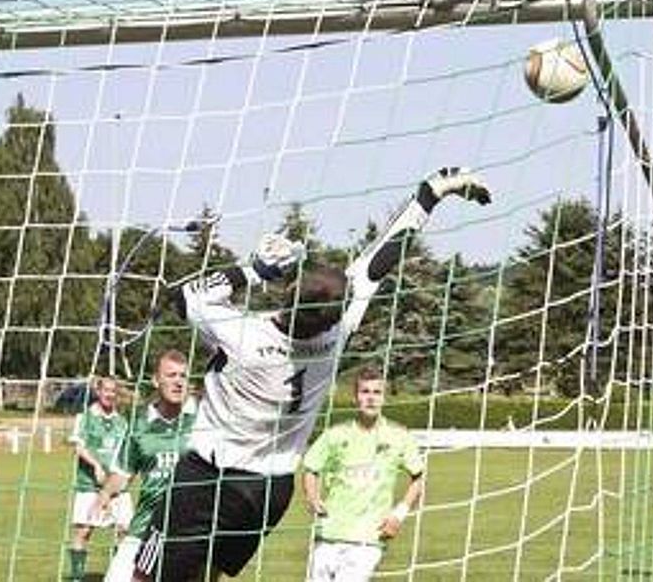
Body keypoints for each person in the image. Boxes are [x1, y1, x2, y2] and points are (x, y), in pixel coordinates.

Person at [133, 167, 490, 582]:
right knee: (207, 575)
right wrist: (429, 195)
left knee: (147, 577)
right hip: (268, 490)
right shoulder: (336, 335)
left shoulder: (243, 335)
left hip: (206, 479)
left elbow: (183, 296)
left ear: (290, 292)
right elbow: (381, 260)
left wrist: (258, 269)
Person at [302, 367, 423, 582]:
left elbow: (418, 479)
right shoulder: (335, 434)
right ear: (356, 397)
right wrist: (312, 497)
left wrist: (399, 514)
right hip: (330, 531)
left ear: (384, 398)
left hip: (369, 536)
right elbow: (311, 468)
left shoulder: (399, 436)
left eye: (377, 393)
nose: (371, 398)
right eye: (365, 392)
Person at [94, 351, 198, 582]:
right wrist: (104, 495)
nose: (178, 381)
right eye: (171, 375)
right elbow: (123, 472)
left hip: (189, 530)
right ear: (155, 380)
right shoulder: (139, 423)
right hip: (144, 526)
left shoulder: (202, 420)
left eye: (183, 376)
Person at [67, 376, 132, 582]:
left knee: (125, 532)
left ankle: (118, 576)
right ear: (98, 391)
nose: (110, 394)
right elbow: (78, 447)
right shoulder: (84, 418)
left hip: (117, 488)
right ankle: (77, 577)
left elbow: (128, 454)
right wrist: (95, 465)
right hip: (89, 486)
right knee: (83, 533)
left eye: (114, 391)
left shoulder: (122, 422)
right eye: (106, 390)